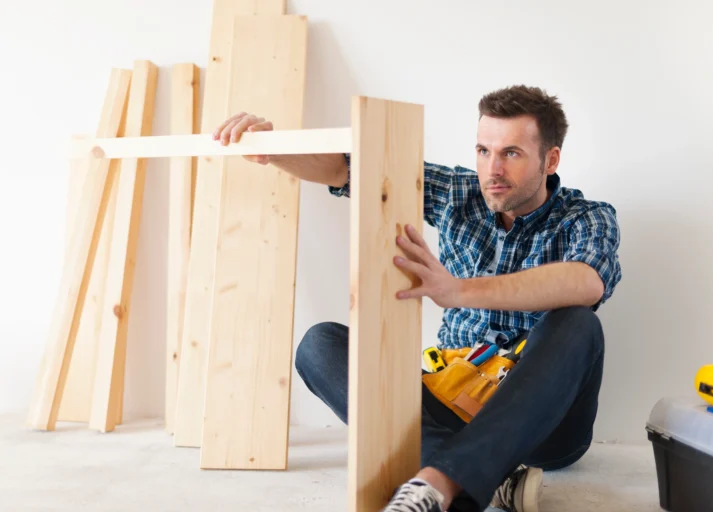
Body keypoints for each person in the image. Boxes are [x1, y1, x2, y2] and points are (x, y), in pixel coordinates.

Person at [213, 85, 622, 512]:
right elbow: (348, 169)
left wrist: (458, 290)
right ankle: (481, 477)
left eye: (512, 153)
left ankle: (438, 476)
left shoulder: (588, 216)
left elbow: (586, 281)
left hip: (542, 424)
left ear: (550, 160)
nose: (493, 168)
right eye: (483, 151)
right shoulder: (459, 193)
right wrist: (273, 148)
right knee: (319, 344)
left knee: (578, 323)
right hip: (449, 399)